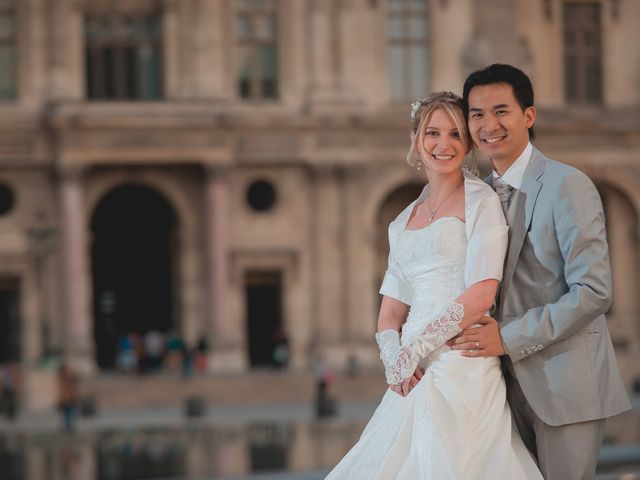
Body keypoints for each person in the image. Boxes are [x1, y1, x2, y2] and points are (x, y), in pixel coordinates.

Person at [326, 92, 541, 479]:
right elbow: (390, 313)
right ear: (416, 140)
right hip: (411, 375)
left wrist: (416, 349)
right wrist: (394, 360)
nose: (444, 145)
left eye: (456, 134)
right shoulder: (401, 221)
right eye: (433, 133)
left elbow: (481, 294)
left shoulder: (482, 202)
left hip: (462, 363)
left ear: (468, 144)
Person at [449, 63, 631, 479]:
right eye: (476, 114)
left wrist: (507, 338)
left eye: (501, 111)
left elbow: (593, 290)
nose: (488, 125)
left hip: (564, 388)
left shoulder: (568, 185)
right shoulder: (476, 194)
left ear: (528, 116)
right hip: (495, 391)